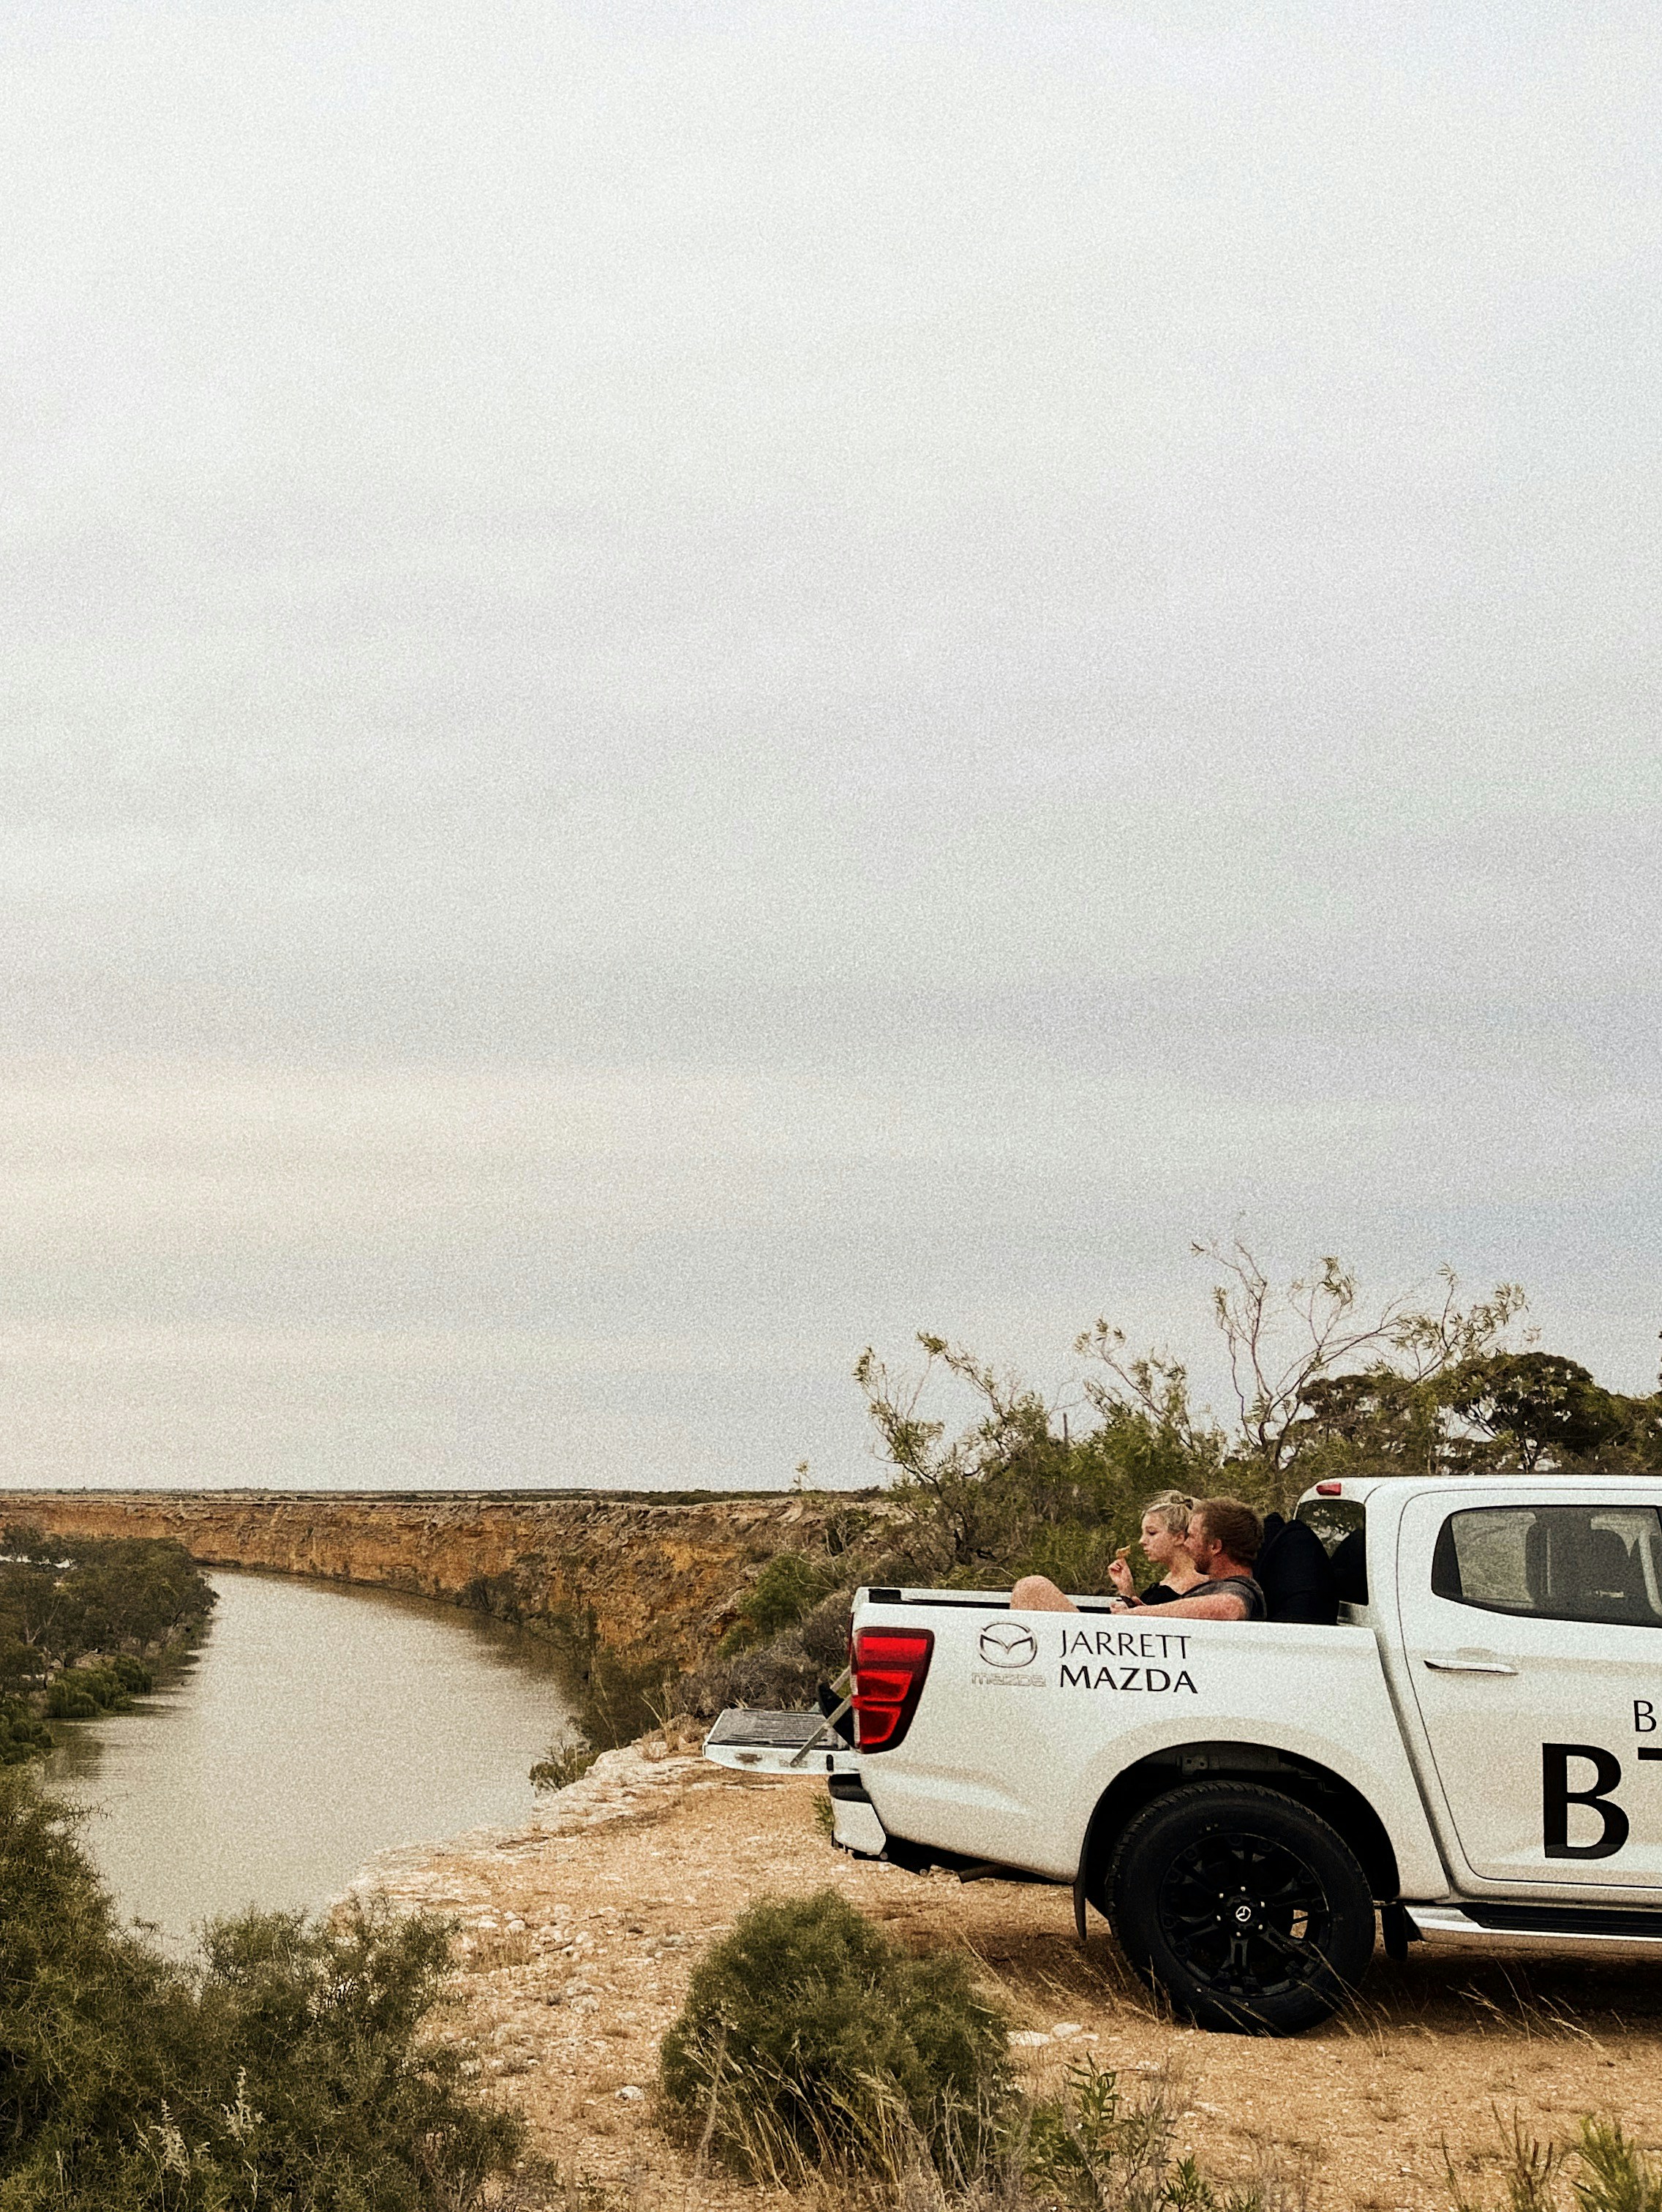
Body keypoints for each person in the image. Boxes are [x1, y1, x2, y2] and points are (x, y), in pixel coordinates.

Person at [1011, 1497, 1266, 1621]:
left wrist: (1141, 1614)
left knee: (1033, 1587)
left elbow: (1228, 1608)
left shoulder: (1240, 1588)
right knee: (1031, 1589)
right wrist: (1133, 1603)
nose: (1187, 1544)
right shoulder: (1213, 1586)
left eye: (1191, 1537)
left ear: (1215, 1546)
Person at [1106, 1491, 1203, 1606]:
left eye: (1152, 1533)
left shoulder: (1200, 1588)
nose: (1142, 1541)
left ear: (1179, 1537)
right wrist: (1126, 1589)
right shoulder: (1171, 1580)